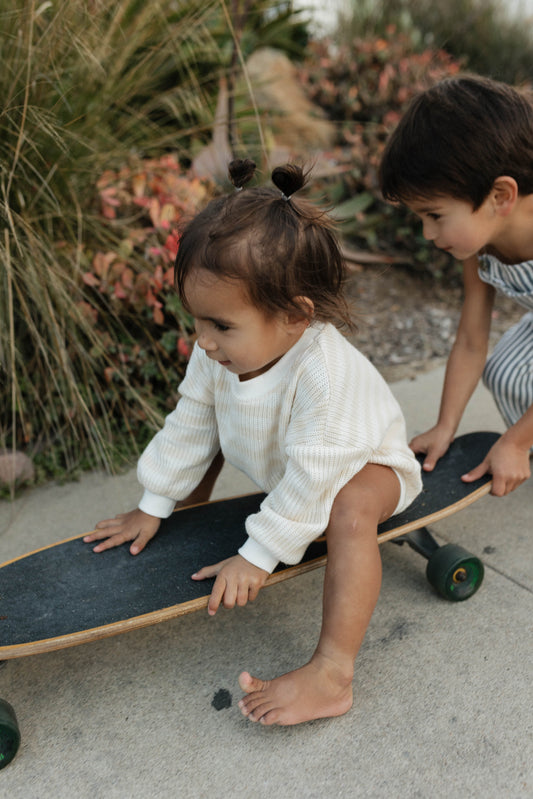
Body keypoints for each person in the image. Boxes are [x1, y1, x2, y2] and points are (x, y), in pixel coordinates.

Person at [85, 159, 422, 726]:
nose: (204, 341)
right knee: (211, 413)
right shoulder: (220, 352)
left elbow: (317, 473)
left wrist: (257, 555)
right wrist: (154, 502)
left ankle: (332, 674)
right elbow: (192, 418)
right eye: (198, 321)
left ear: (294, 316)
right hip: (290, 460)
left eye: (220, 325)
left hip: (363, 464)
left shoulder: (325, 375)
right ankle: (182, 509)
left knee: (350, 507)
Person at [379, 74, 533, 497]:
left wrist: (516, 441)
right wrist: (445, 426)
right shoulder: (482, 246)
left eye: (435, 216)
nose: (428, 234)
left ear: (501, 196)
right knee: (506, 372)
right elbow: (470, 340)